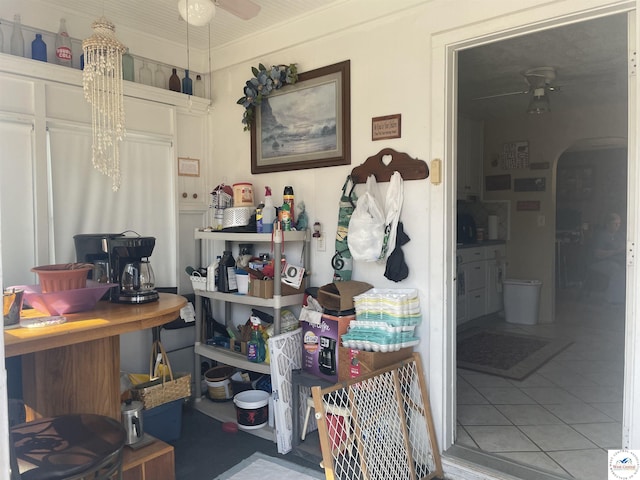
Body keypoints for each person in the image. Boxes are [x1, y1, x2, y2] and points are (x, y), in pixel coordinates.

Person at [589, 213, 626, 304]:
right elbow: (597, 254)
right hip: (601, 261)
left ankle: (625, 299)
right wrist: (616, 251)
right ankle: (613, 299)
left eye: (619, 224)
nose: (617, 226)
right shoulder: (601, 235)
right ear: (608, 224)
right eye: (615, 224)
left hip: (618, 261)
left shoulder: (620, 235)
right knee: (618, 270)